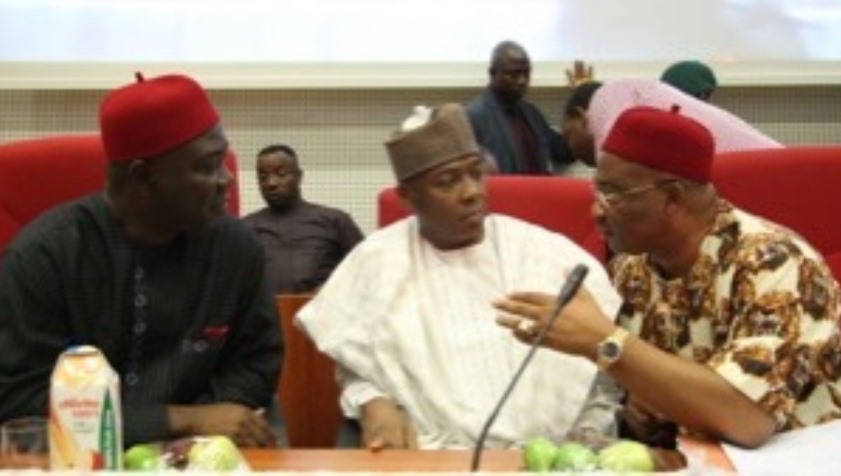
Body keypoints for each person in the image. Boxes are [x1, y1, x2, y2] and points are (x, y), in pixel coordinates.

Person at [495, 106, 841, 449]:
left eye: (613, 194)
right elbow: (644, 389)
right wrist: (639, 413)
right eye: (596, 191)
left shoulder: (774, 264)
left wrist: (603, 342)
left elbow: (747, 417)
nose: (597, 211)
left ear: (672, 198)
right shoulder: (633, 271)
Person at [295, 103, 622, 449]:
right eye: (447, 181)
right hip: (428, 461)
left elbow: (601, 361)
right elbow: (359, 364)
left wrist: (586, 438)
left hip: (548, 459)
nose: (472, 192)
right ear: (407, 196)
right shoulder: (376, 262)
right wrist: (373, 402)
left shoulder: (546, 254)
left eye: (476, 173)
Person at [0, 73, 282, 448]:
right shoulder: (44, 257)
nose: (226, 179)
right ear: (143, 177)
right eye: (208, 166)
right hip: (81, 459)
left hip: (210, 458)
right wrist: (179, 421)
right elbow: (21, 399)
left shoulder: (236, 247)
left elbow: (256, 364)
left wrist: (200, 436)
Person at [562, 77, 782, 166]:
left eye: (567, 134)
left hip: (766, 175)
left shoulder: (607, 94)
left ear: (582, 116)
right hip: (771, 169)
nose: (569, 147)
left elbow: (613, 177)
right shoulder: (635, 95)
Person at [243, 144, 363, 294]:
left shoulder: (335, 221)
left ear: (299, 176)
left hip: (323, 313)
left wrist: (331, 292)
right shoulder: (245, 229)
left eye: (281, 174)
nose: (271, 183)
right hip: (265, 315)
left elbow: (365, 273)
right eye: (263, 176)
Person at [466, 40, 574, 175]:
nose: (522, 80)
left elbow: (566, 152)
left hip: (539, 193)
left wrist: (580, 96)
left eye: (526, 73)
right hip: (503, 195)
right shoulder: (475, 116)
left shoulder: (531, 113)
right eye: (513, 74)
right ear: (493, 73)